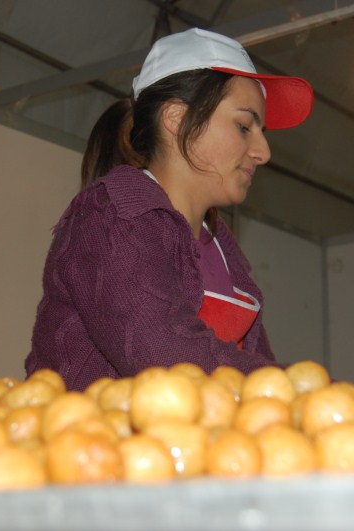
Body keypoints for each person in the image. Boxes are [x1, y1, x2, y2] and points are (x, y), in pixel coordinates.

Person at [24, 28, 313, 391]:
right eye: (244, 126)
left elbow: (260, 374)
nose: (263, 152)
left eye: (262, 131)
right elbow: (165, 354)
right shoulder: (111, 215)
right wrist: (309, 389)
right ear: (176, 118)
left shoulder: (223, 253)